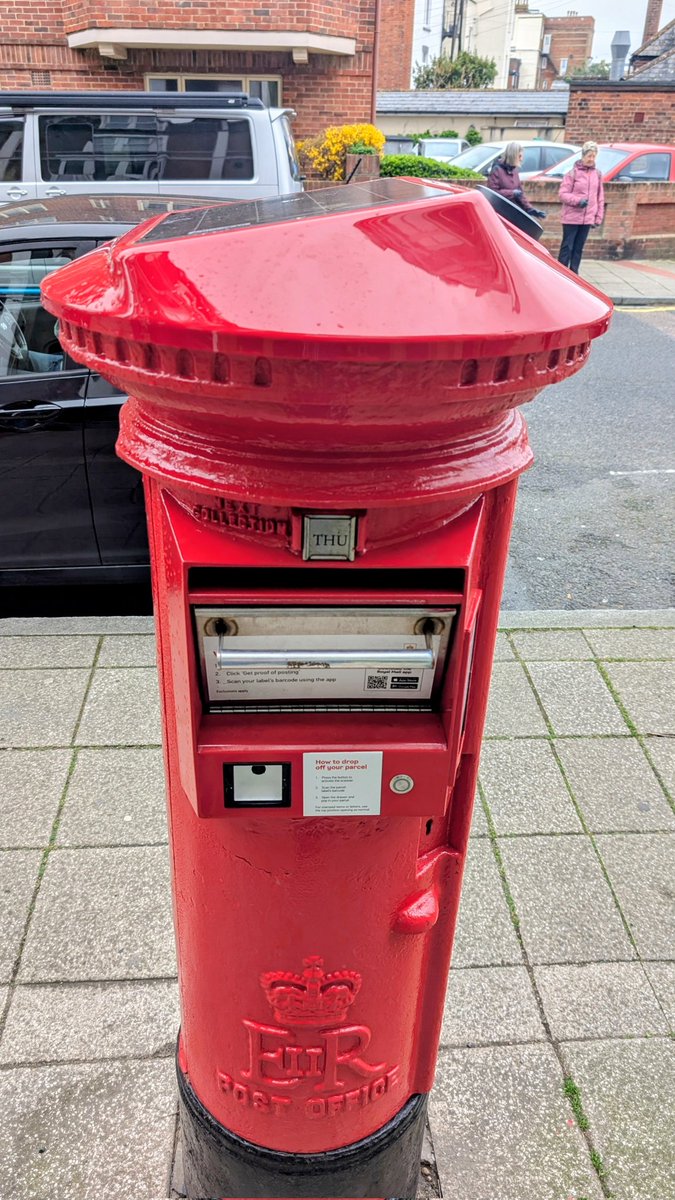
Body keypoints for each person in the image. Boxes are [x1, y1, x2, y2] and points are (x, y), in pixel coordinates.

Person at [558, 141, 605, 274]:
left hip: (587, 218)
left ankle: (574, 273)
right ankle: (561, 273)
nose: (591, 159)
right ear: (583, 156)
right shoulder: (572, 174)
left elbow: (600, 197)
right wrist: (578, 201)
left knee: (578, 248)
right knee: (567, 247)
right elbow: (562, 194)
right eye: (589, 156)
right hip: (572, 217)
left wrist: (598, 217)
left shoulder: (598, 174)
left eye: (593, 156)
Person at [485, 142, 547, 221]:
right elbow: (492, 193)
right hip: (499, 213)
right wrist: (512, 193)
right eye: (520, 156)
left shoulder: (514, 170)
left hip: (512, 212)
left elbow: (520, 193)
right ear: (513, 155)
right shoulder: (497, 169)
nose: (521, 159)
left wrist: (530, 209)